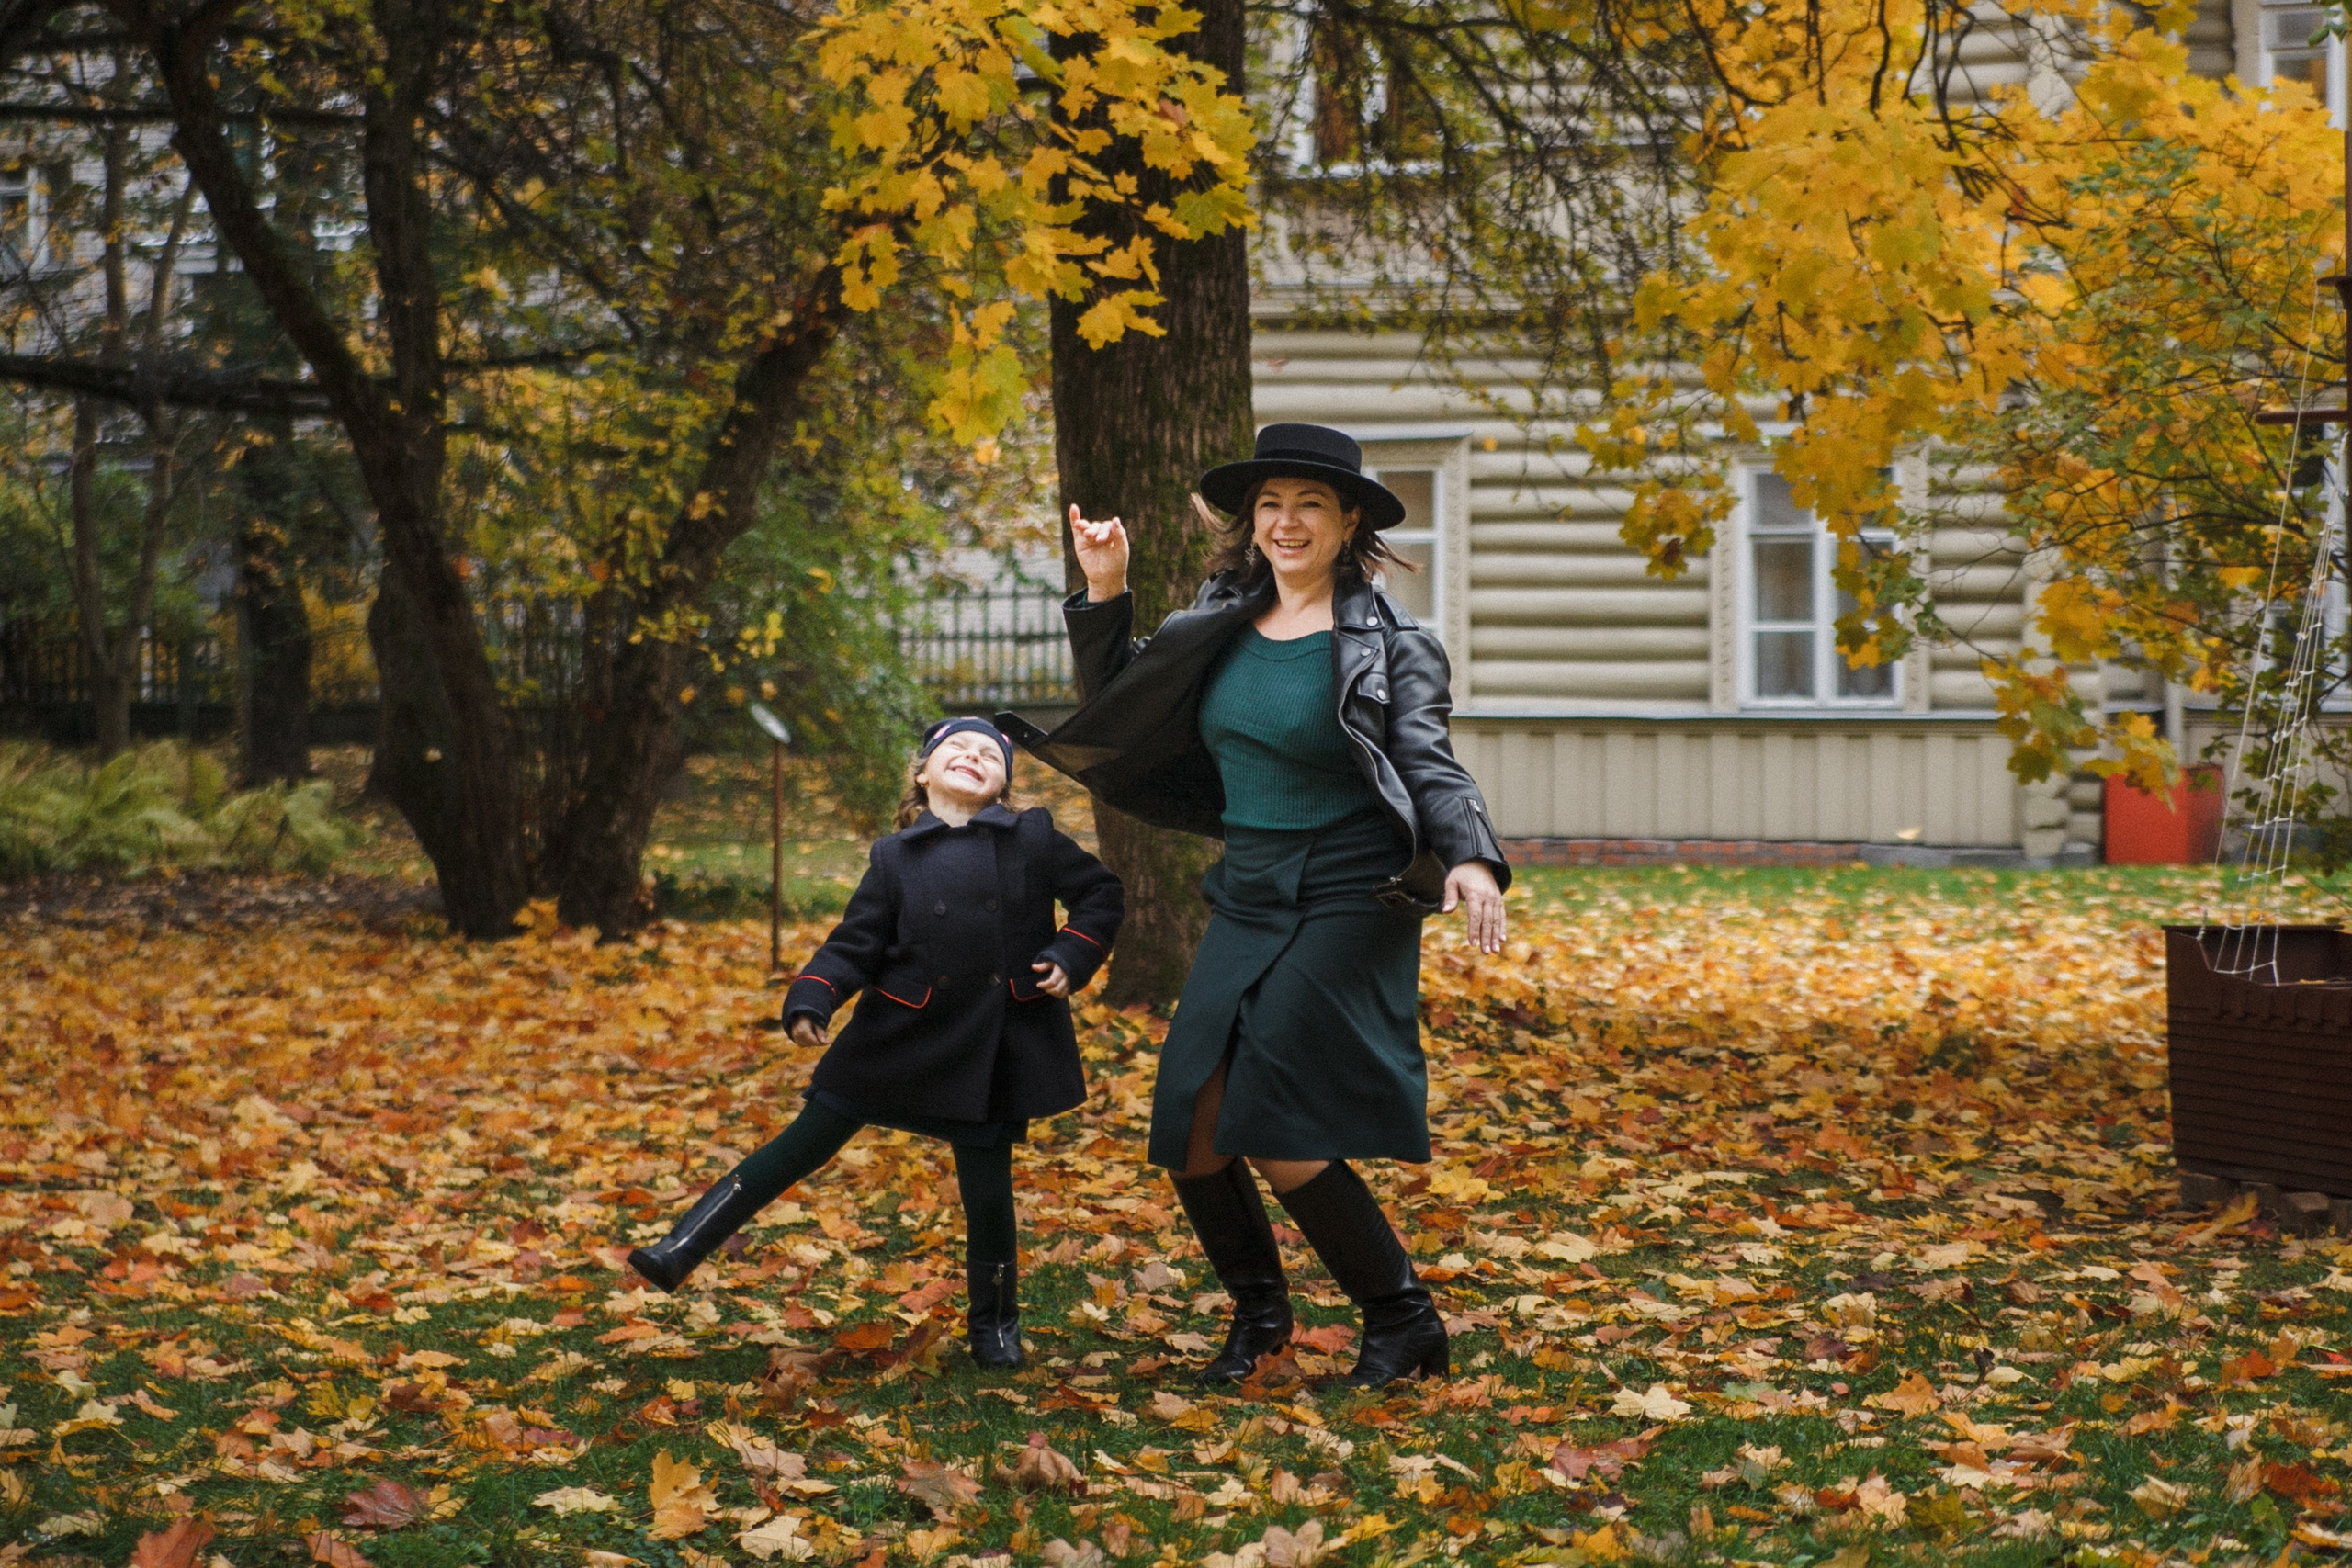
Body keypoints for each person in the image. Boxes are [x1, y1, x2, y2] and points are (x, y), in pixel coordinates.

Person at [1000, 423, 1510, 1389]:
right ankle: (1260, 1320)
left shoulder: (1394, 644)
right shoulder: (1219, 619)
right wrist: (1105, 589)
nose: (1285, 522)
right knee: (1189, 1125)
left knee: (1271, 1120)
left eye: (1310, 504)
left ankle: (1403, 1322)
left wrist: (1472, 857)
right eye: (1270, 504)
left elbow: (1427, 760)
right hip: (1249, 888)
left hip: (1348, 891)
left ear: (1349, 521)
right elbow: (1123, 708)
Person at [627, 717, 1123, 1369]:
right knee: (798, 1145)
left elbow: (1099, 892)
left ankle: (996, 1326)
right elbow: (854, 943)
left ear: (1003, 789)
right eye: (957, 749)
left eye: (989, 755)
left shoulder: (1031, 837)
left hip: (992, 1040)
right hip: (896, 1035)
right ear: (922, 773)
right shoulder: (894, 858)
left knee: (988, 1190)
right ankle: (680, 1247)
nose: (973, 757)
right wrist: (813, 996)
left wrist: (1070, 954)